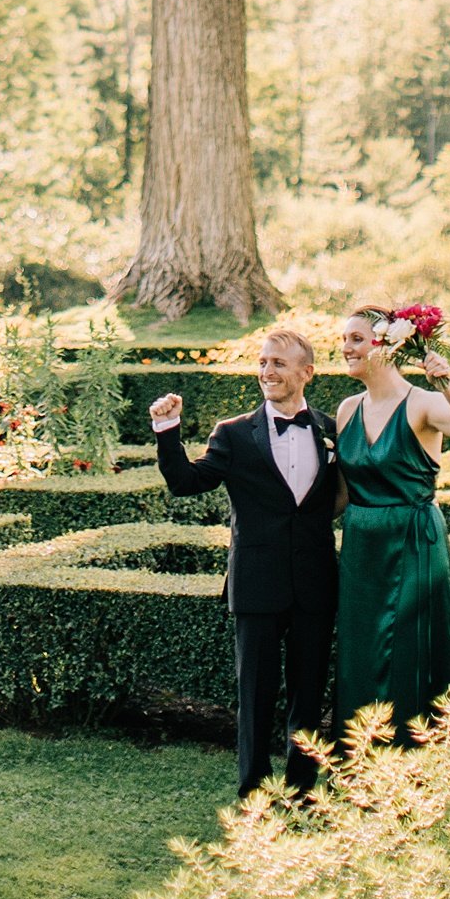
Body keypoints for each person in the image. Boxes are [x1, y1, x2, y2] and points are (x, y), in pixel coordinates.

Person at [148, 321, 338, 798]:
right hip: (256, 582)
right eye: (262, 363)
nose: (267, 372)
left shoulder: (331, 429)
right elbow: (186, 482)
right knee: (254, 694)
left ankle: (301, 790)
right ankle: (253, 791)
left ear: (306, 372)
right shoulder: (233, 433)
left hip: (316, 581)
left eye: (278, 364)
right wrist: (167, 431)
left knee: (308, 694)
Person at [332, 303, 450, 742]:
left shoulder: (422, 404)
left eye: (356, 339)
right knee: (360, 652)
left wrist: (444, 382)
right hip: (361, 549)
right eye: (344, 339)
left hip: (413, 541)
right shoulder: (347, 410)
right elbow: (342, 496)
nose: (345, 348)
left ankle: (420, 758)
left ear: (386, 346)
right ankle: (361, 760)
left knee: (410, 649)